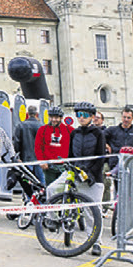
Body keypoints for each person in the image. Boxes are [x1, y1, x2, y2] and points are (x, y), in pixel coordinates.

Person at [45, 103, 109, 254]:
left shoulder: (98, 134)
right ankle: (52, 219)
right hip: (75, 171)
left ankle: (96, 242)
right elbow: (70, 155)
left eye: (85, 115)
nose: (81, 118)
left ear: (92, 117)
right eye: (79, 115)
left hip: (91, 177)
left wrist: (88, 173)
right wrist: (69, 167)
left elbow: (100, 158)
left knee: (91, 211)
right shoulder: (75, 133)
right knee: (52, 189)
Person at [35, 107, 71, 181]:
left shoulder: (69, 130)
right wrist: (41, 161)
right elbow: (38, 147)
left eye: (56, 117)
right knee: (50, 189)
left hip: (64, 166)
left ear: (61, 118)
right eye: (51, 117)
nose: (53, 120)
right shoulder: (42, 130)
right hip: (49, 166)